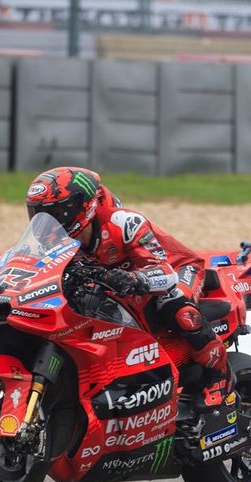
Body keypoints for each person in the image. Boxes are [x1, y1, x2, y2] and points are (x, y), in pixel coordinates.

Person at [24, 166, 234, 416]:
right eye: (37, 214)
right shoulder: (54, 241)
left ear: (80, 206)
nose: (45, 224)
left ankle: (219, 376)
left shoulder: (123, 223)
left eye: (53, 214)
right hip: (120, 282)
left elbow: (165, 274)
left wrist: (134, 277)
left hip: (177, 268)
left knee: (177, 307)